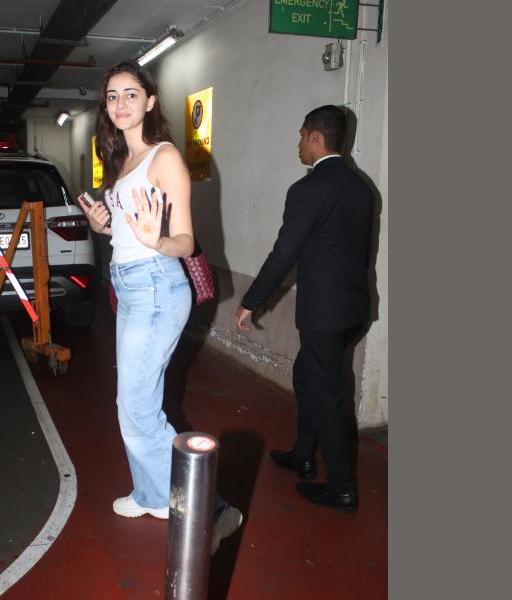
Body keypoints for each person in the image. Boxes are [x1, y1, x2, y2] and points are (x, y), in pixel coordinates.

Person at [77, 59, 242, 553]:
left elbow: (185, 240)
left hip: (156, 285)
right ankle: (152, 495)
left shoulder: (164, 157)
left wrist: (157, 241)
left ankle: (215, 509)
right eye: (112, 96)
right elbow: (133, 231)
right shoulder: (121, 162)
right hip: (130, 286)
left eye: (131, 93)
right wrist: (107, 226)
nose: (121, 103)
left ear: (150, 101)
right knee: (131, 403)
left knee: (138, 408)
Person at [235, 105, 373, 514]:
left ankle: (342, 490)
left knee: (327, 395)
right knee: (306, 374)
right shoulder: (362, 188)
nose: (298, 144)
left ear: (315, 137)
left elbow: (284, 254)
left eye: (300, 135)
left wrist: (250, 300)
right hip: (354, 309)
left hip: (325, 314)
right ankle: (303, 454)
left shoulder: (308, 189)